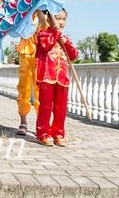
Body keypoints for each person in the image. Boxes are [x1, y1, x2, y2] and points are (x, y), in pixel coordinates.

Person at [35, 9, 78, 147]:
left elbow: (73, 55)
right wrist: (55, 32)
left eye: (63, 19)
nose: (60, 22)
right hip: (47, 76)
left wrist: (66, 42)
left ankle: (58, 133)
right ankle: (43, 133)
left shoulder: (64, 38)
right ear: (48, 19)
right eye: (57, 18)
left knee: (61, 107)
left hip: (62, 77)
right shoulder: (43, 34)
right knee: (45, 106)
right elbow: (45, 46)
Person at [15, 11, 45, 135]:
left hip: (41, 53)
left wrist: (40, 11)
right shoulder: (24, 10)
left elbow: (45, 27)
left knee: (41, 88)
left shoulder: (46, 14)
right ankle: (23, 121)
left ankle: (41, 123)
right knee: (23, 87)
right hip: (25, 52)